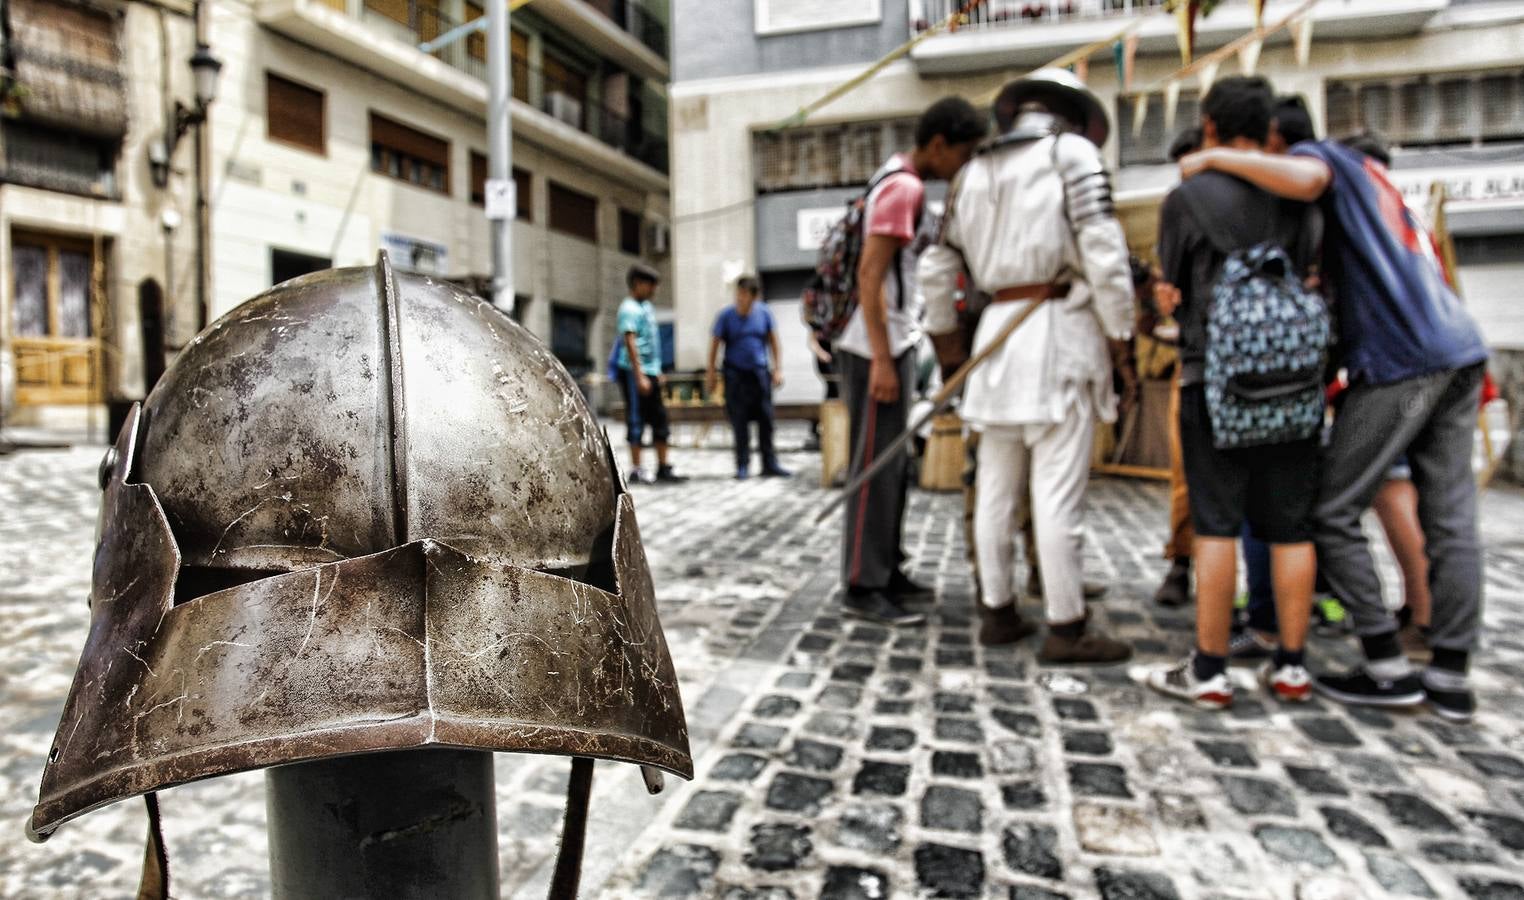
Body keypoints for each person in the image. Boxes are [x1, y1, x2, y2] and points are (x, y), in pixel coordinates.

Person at [1179, 116, 1490, 723]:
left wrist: (1214, 158)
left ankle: (1386, 664)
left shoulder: (1329, 160)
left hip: (1401, 359)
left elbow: (1305, 174)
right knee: (1451, 518)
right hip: (1459, 348)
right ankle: (1451, 676)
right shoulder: (1382, 182)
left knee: (1329, 508)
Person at [920, 70, 1133, 662]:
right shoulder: (1073, 153)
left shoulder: (971, 173)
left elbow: (936, 270)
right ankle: (1066, 626)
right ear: (1070, 115)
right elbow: (1104, 251)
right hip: (1056, 334)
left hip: (997, 342)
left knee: (996, 490)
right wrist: (1121, 335)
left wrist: (949, 348)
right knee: (1055, 494)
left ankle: (999, 613)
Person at [1143, 76, 1323, 709]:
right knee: (1291, 527)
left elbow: (1176, 288)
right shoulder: (1297, 194)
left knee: (1216, 523)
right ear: (1268, 129)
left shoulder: (1188, 197)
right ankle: (1294, 667)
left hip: (1212, 377)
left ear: (1210, 126)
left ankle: (1210, 671)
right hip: (1296, 383)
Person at [838, 95, 988, 627]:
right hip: (875, 345)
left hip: (887, 342)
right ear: (940, 144)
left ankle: (885, 568)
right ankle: (862, 583)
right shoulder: (905, 187)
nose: (963, 166)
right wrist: (881, 358)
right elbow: (870, 276)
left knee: (892, 467)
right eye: (963, 154)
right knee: (875, 469)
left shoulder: (894, 177)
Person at [1152, 127, 1202, 609]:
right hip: (1195, 358)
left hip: (1249, 363)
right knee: (1186, 473)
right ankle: (1181, 561)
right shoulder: (1177, 208)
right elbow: (1165, 286)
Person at [707, 275, 790, 480]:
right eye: (739, 293)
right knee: (739, 420)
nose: (740, 298)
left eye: (745, 294)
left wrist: (777, 369)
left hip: (759, 373)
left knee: (766, 420)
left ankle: (769, 464)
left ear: (754, 296)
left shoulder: (764, 313)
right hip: (735, 374)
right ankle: (742, 465)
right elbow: (715, 344)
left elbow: (774, 343)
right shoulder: (726, 316)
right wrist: (711, 373)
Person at [615, 263, 685, 484]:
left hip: (651, 372)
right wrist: (640, 375)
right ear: (638, 284)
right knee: (636, 419)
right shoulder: (629, 308)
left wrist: (658, 371)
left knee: (659, 419)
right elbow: (630, 341)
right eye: (650, 285)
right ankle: (637, 469)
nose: (654, 290)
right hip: (635, 373)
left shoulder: (646, 307)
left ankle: (663, 467)